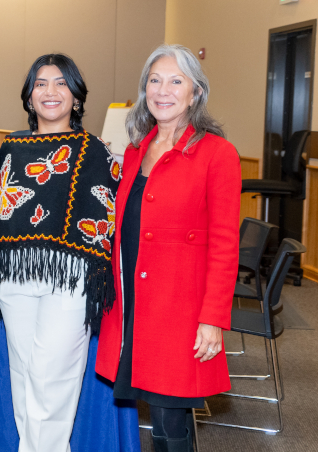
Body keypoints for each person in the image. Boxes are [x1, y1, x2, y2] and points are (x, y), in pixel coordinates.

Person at [95, 44, 241, 451]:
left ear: (195, 92)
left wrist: (212, 318)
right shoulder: (136, 150)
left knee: (171, 415)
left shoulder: (217, 153)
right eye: (155, 80)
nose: (164, 90)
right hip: (133, 304)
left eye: (176, 81)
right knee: (159, 414)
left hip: (181, 306)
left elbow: (226, 244)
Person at [0, 54, 121, 452]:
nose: (51, 91)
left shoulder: (95, 151)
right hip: (14, 277)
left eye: (61, 83)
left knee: (52, 378)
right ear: (28, 97)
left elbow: (110, 214)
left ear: (76, 96)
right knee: (24, 374)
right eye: (41, 83)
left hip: (71, 280)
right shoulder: (10, 148)